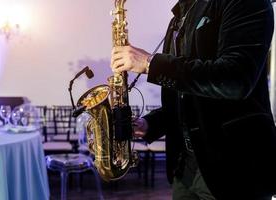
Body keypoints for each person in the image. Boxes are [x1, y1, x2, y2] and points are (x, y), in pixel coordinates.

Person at [111, 0, 276, 199]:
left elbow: (235, 79)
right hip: (185, 166)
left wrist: (150, 63)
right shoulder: (179, 17)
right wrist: (149, 124)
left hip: (234, 168)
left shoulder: (245, 3)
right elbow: (185, 97)